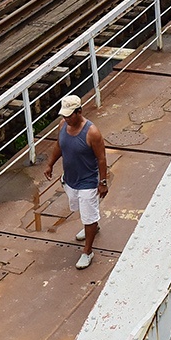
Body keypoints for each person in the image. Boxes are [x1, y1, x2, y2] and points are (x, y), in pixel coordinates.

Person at [43, 93, 109, 268]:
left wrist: (102, 182)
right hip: (70, 180)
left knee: (88, 213)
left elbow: (101, 158)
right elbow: (59, 145)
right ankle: (93, 225)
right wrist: (50, 164)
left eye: (69, 115)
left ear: (79, 111)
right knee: (82, 209)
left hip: (87, 182)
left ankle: (87, 251)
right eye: (64, 115)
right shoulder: (63, 125)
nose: (66, 118)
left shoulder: (92, 133)